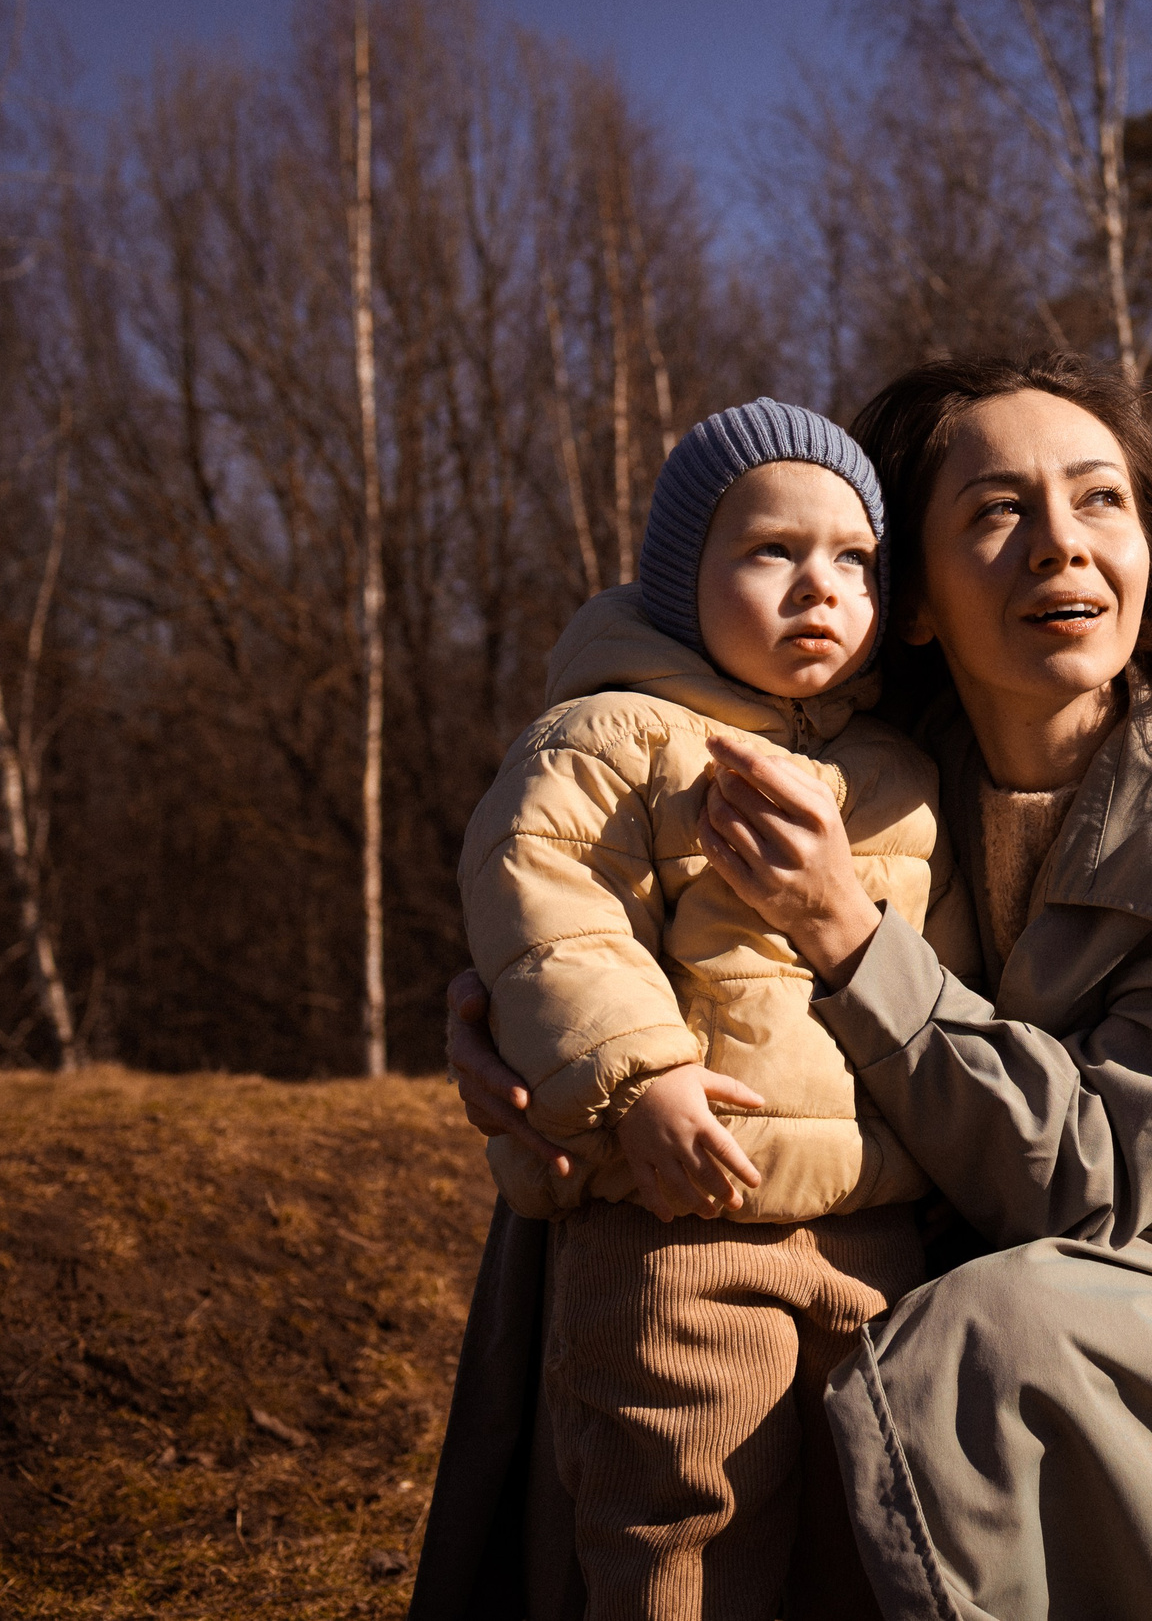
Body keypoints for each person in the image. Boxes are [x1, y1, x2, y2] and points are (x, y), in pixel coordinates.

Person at [415, 354, 1152, 1621]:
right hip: (942, 1207)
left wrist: (848, 930)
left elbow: (1096, 1176)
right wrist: (517, 1030)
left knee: (985, 1327)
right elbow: (586, 865)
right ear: (915, 600)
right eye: (998, 513)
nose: (1061, 547)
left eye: (1098, 501)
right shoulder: (873, 764)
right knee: (604, 1223)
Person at [454, 396, 977, 1621]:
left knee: (867, 1519)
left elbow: (946, 981)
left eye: (854, 561)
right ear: (681, 579)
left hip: (869, 1231)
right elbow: (556, 917)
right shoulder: (612, 739)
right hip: (678, 1225)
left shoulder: (899, 779)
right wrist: (643, 1080)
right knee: (675, 1504)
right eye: (770, 553)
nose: (819, 589)